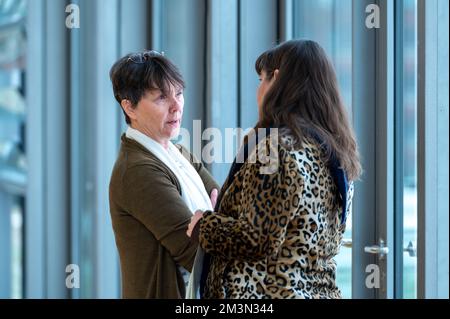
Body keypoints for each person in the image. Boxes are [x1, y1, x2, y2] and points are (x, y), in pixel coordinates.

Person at [187, 40, 362, 299]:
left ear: (276, 79)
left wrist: (205, 225)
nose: (258, 90)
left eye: (261, 79)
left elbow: (257, 239)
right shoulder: (337, 153)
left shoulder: (278, 150)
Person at [109, 50, 218, 298]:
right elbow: (198, 255)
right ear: (130, 107)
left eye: (178, 93)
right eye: (161, 98)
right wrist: (218, 225)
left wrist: (210, 225)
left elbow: (231, 205)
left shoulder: (179, 153)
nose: (176, 106)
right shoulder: (138, 170)